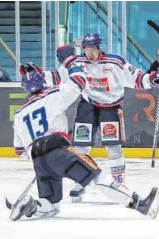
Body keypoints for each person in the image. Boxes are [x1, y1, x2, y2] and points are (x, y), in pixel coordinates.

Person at [8, 66, 159, 221]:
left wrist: (43, 157)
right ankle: (139, 203)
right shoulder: (53, 94)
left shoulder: (19, 114)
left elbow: (19, 150)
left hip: (38, 160)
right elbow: (79, 80)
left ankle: (34, 205)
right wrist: (72, 64)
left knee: (51, 207)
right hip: (59, 151)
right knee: (97, 177)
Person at [26, 35, 159, 203]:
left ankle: (118, 184)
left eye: (92, 49)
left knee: (113, 147)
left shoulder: (115, 62)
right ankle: (80, 183)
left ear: (99, 47)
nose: (89, 53)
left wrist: (152, 79)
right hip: (87, 105)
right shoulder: (78, 63)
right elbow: (57, 76)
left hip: (110, 107)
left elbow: (138, 78)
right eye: (86, 49)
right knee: (81, 146)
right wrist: (36, 75)